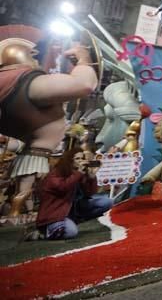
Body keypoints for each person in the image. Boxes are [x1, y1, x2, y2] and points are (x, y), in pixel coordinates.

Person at [0, 28, 98, 219]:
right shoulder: (26, 82)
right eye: (33, 55)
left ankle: (23, 212)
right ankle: (17, 213)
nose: (37, 58)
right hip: (35, 153)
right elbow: (85, 84)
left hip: (34, 150)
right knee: (27, 188)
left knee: (31, 188)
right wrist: (84, 59)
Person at [32, 148, 112, 240]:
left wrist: (91, 177)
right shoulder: (55, 174)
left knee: (106, 201)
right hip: (55, 214)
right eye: (77, 159)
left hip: (73, 209)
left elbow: (90, 193)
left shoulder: (79, 173)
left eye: (82, 158)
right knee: (71, 232)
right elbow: (63, 187)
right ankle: (43, 233)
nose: (81, 161)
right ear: (69, 160)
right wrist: (78, 173)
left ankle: (73, 221)